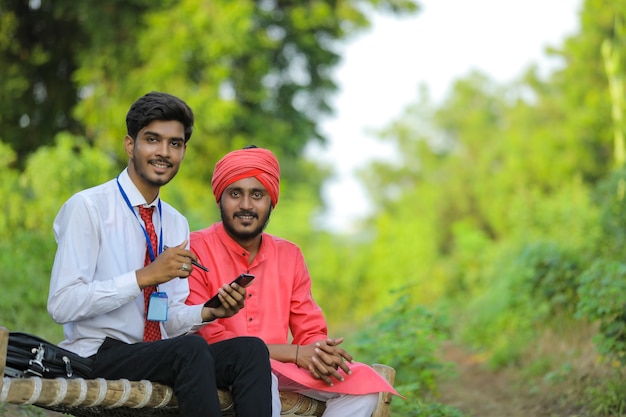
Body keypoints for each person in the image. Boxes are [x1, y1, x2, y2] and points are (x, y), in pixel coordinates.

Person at [47, 92, 273, 417]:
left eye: (175, 144)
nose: (164, 153)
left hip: (158, 352)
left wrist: (208, 312)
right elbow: (61, 304)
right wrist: (144, 277)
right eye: (153, 140)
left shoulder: (175, 221)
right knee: (191, 350)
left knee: (250, 350)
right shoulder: (88, 207)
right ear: (130, 145)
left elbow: (167, 317)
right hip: (99, 352)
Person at [186, 146, 399, 417]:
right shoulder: (196, 248)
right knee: (263, 378)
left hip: (284, 366)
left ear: (271, 201)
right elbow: (206, 336)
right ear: (220, 198)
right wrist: (295, 353)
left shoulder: (289, 254)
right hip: (221, 366)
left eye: (257, 194)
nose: (246, 205)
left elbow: (309, 327)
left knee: (364, 387)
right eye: (235, 193)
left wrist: (319, 353)